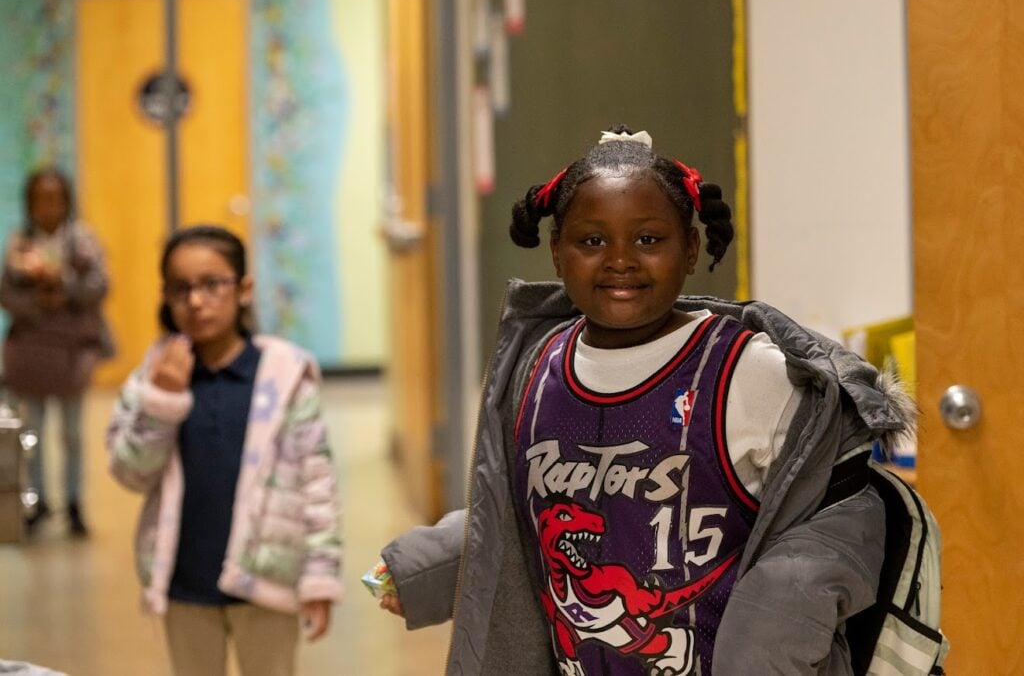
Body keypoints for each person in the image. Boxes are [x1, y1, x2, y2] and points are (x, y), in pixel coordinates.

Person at [376, 127, 912, 674]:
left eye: (649, 240)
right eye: (591, 241)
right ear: (557, 252)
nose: (620, 261)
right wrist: (430, 568)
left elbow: (829, 527)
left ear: (692, 249)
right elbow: (514, 513)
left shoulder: (748, 372)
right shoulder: (535, 370)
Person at [106, 225, 342, 676]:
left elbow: (317, 482)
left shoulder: (285, 375)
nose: (196, 302)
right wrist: (162, 402)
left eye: (212, 284)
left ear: (244, 288)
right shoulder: (154, 375)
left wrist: (319, 577)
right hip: (184, 583)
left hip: (268, 579)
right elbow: (129, 472)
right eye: (181, 289)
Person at [0, 168, 113, 536]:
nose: (48, 207)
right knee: (31, 430)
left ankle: (75, 503)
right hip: (31, 350)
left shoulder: (83, 242)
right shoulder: (20, 244)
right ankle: (38, 502)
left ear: (67, 200)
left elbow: (100, 286)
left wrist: (64, 284)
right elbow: (6, 293)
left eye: (55, 198)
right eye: (40, 199)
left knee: (72, 433)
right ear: (29, 204)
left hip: (71, 350)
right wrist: (37, 301)